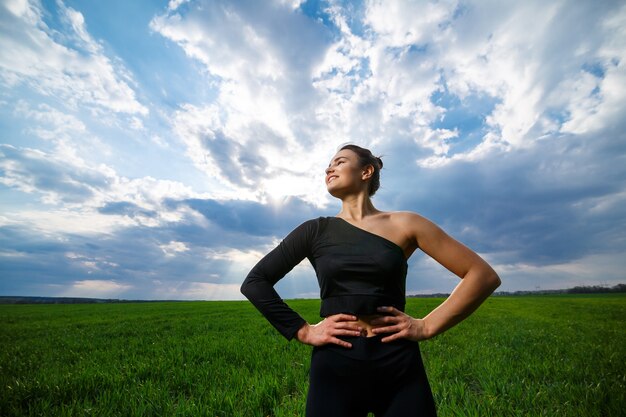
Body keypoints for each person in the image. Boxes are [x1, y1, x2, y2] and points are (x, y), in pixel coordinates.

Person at [241, 144, 501, 417]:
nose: (329, 168)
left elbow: (482, 275)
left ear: (366, 171)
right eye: (328, 165)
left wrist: (426, 326)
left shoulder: (407, 224)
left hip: (398, 362)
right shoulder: (314, 230)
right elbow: (256, 281)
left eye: (339, 162)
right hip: (335, 363)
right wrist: (304, 330)